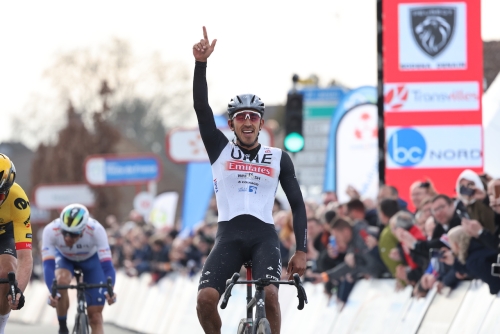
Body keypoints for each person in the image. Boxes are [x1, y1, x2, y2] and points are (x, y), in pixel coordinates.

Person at [192, 27, 307, 334]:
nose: (247, 121)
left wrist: (302, 250)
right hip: (228, 235)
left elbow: (297, 204)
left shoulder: (278, 156)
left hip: (264, 236)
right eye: (241, 116)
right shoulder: (220, 149)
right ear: (231, 124)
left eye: (253, 116)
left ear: (261, 123)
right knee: (204, 300)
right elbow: (202, 110)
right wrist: (200, 64)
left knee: (270, 294)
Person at [42, 204, 117, 334]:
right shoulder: (51, 230)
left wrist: (109, 290)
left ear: (83, 230)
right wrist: (53, 293)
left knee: (96, 318)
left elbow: (107, 266)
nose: (67, 238)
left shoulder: (96, 230)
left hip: (91, 261)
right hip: (65, 258)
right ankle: (63, 326)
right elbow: (48, 265)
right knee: (61, 282)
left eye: (73, 234)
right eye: (64, 232)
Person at [0, 154, 32, 334]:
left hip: (4, 234)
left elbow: (25, 257)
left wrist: (17, 290)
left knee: (7, 271)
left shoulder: (18, 199)